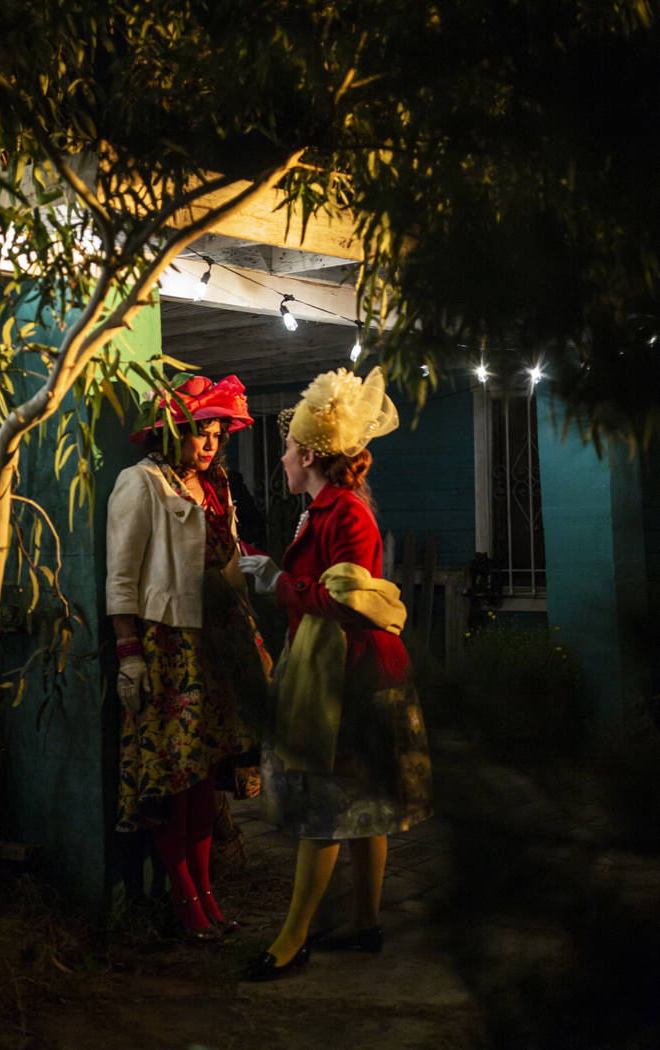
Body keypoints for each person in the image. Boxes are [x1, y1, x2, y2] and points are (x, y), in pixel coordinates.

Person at [238, 366, 433, 980]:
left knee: (325, 808)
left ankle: (292, 940)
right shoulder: (324, 507)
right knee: (361, 804)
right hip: (345, 670)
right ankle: (365, 924)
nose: (284, 458)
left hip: (351, 678)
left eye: (290, 449)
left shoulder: (345, 512)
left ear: (312, 455)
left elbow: (344, 599)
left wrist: (275, 579)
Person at [106, 374, 270, 941]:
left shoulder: (218, 485)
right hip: (170, 646)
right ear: (172, 431)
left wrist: (250, 637)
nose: (210, 443)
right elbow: (122, 576)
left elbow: (230, 569)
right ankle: (184, 903)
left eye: (218, 432)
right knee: (173, 780)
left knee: (204, 780)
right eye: (201, 430)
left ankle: (206, 895)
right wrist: (129, 652)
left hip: (218, 644)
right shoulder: (142, 483)